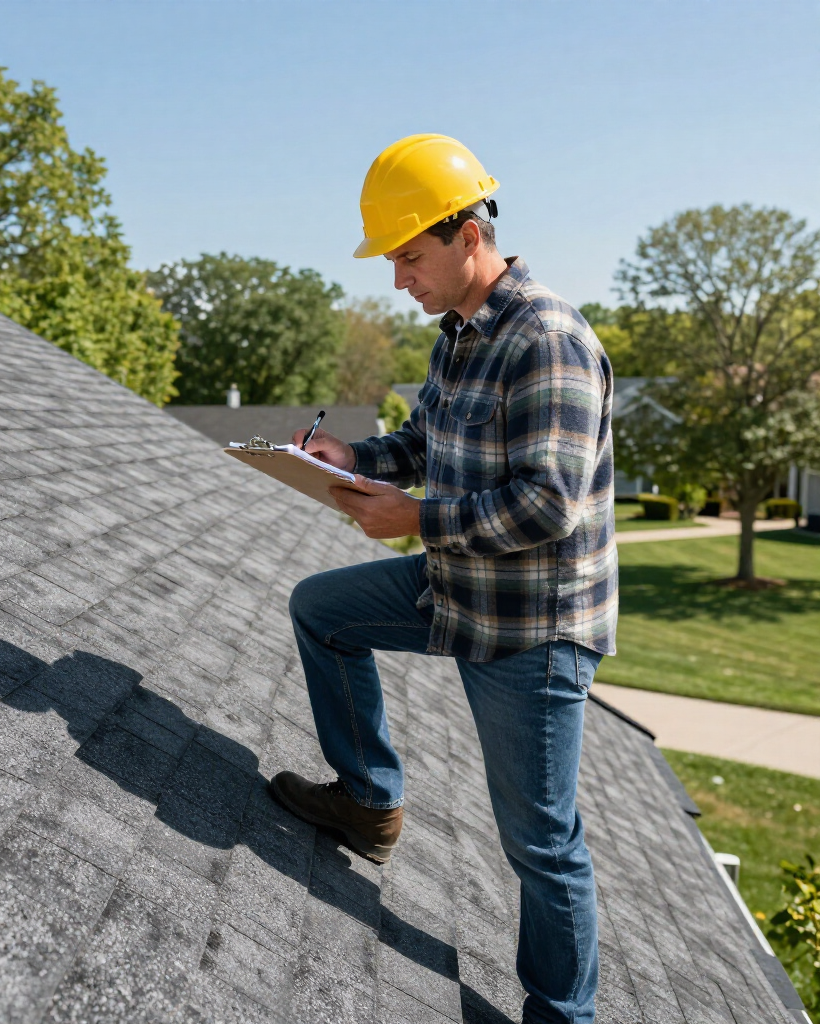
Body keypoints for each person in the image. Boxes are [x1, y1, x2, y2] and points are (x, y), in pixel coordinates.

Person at [268, 134, 617, 1024]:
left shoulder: (548, 338)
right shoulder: (460, 335)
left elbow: (549, 506)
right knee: (322, 611)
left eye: (410, 258)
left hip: (532, 628)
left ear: (470, 235)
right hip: (456, 587)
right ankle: (368, 802)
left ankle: (560, 1014)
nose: (397, 280)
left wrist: (416, 520)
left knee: (540, 843)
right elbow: (424, 445)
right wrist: (354, 456)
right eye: (391, 260)